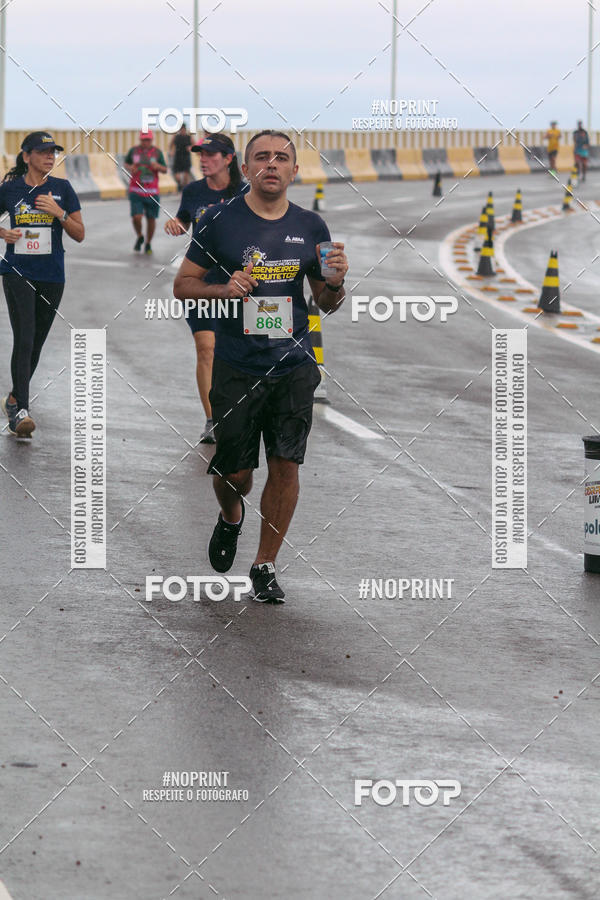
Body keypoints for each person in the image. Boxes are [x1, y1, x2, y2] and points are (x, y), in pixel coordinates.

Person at [174, 130, 348, 603]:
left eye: (282, 158)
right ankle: (231, 517)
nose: (272, 164)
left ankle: (264, 564)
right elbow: (183, 285)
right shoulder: (218, 222)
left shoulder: (312, 227)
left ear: (295, 171)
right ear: (246, 168)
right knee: (234, 473)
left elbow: (326, 302)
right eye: (262, 157)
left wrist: (336, 281)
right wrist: (220, 290)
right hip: (236, 364)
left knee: (286, 465)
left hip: (292, 362)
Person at [0, 131, 84, 437]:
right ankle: (21, 409)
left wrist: (58, 212)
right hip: (16, 271)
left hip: (51, 274)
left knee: (36, 342)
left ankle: (12, 399)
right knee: (24, 337)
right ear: (26, 156)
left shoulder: (62, 188)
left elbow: (79, 234)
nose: (50, 156)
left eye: (54, 152)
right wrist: (3, 233)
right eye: (43, 151)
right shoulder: (9, 190)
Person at [165, 134, 245, 443]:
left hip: (240, 285)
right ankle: (213, 419)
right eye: (201, 154)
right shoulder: (194, 191)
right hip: (201, 284)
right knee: (206, 349)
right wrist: (177, 224)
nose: (203, 159)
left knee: (236, 351)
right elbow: (185, 220)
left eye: (211, 154)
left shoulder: (245, 192)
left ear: (228, 158)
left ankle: (240, 412)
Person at [124, 130, 167, 254]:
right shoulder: (133, 151)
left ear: (151, 140)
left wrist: (158, 167)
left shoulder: (157, 153)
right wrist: (130, 167)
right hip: (136, 190)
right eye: (143, 140)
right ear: (140, 140)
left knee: (151, 219)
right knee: (136, 217)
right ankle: (139, 236)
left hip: (152, 192)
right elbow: (126, 164)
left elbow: (165, 169)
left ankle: (148, 243)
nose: (145, 142)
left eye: (148, 140)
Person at [169, 124, 193, 192]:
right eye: (181, 129)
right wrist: (172, 151)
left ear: (185, 129)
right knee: (177, 177)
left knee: (186, 176)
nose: (182, 130)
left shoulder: (189, 137)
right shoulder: (176, 137)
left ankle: (186, 190)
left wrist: (190, 148)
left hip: (186, 157)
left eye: (183, 129)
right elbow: (171, 145)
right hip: (178, 157)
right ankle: (180, 185)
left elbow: (194, 145)